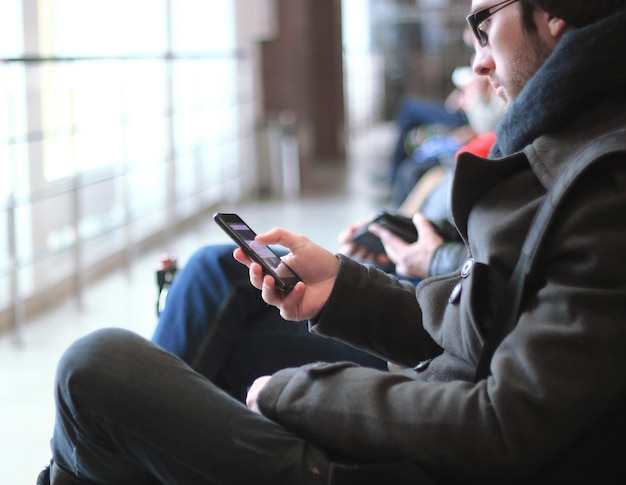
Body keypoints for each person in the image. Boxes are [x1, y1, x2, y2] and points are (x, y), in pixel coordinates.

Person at [38, 2, 626, 484]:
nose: (476, 62)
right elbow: (488, 325)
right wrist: (341, 289)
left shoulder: (604, 185)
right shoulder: (572, 146)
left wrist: (296, 395)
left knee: (94, 371)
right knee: (213, 279)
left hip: (415, 465)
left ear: (552, 12)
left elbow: (502, 430)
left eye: (483, 23)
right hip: (427, 421)